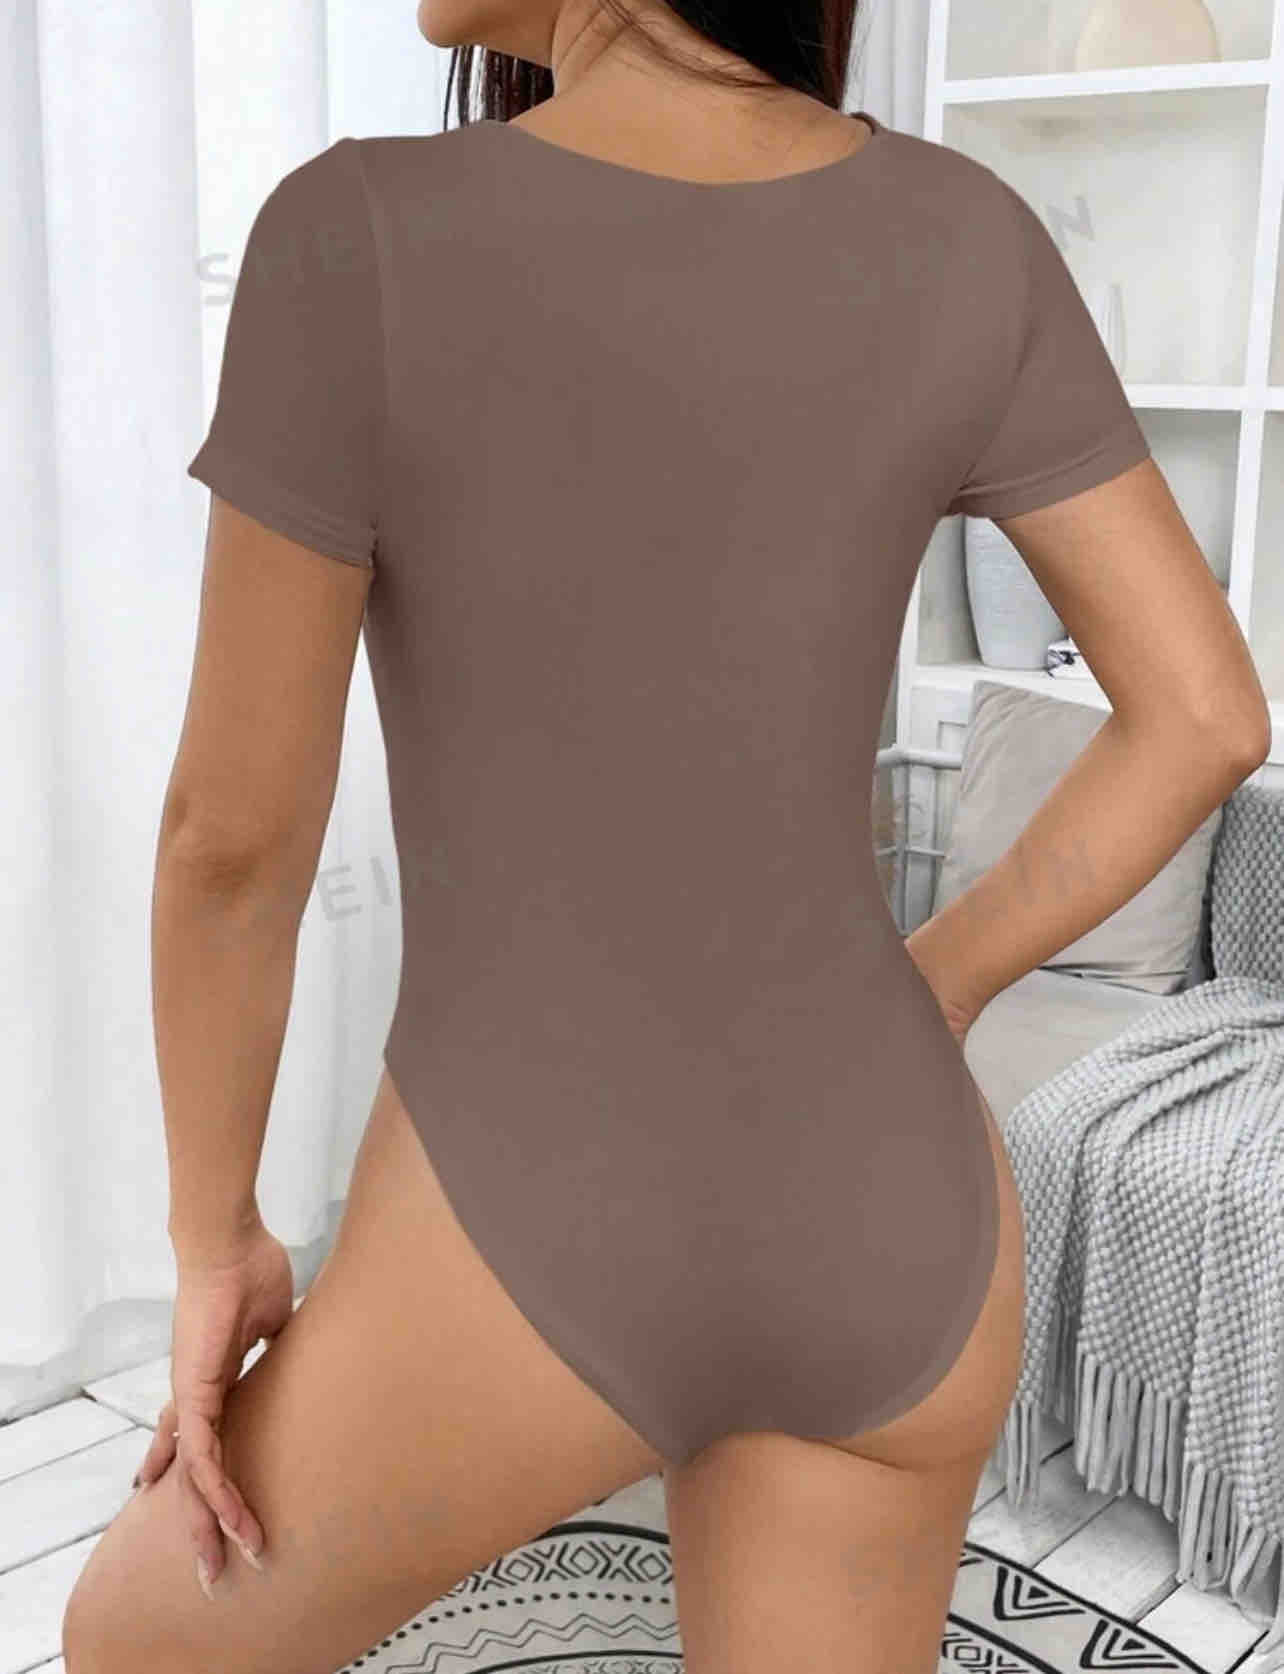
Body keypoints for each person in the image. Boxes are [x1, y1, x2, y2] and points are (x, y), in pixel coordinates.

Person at [62, 0, 1271, 1667]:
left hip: (528, 1230)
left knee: (127, 1640)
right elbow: (1205, 712)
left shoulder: (357, 239)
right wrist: (941, 979)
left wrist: (215, 1242)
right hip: (893, 1217)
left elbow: (231, 843)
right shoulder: (967, 234)